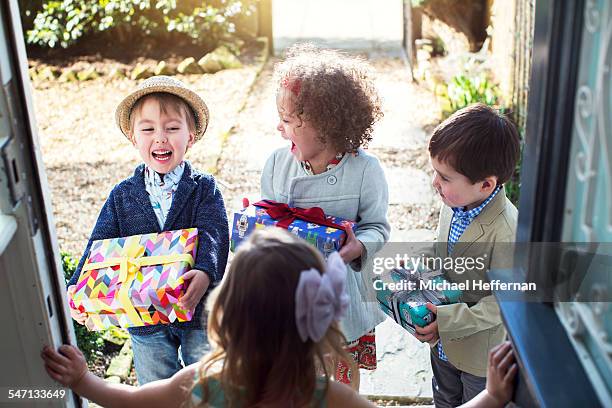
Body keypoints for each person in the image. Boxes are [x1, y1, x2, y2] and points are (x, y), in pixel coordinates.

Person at [43, 229, 376, 407]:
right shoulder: (327, 397)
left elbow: (134, 402)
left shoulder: (204, 384)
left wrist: (83, 381)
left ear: (226, 314)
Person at [65, 75, 229, 385]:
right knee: (155, 384)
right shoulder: (123, 195)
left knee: (209, 382)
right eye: (148, 129)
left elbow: (215, 233)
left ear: (190, 136)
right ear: (133, 137)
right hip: (143, 315)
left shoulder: (203, 188)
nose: (161, 138)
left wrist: (206, 272)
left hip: (196, 307)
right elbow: (99, 243)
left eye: (172, 128)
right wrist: (78, 289)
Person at [260, 43, 390, 388]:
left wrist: (357, 245)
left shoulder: (365, 170)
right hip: (291, 287)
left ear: (326, 125)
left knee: (342, 372)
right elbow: (267, 219)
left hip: (342, 290)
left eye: (288, 121)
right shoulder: (277, 164)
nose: (280, 128)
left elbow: (378, 227)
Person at [414, 103, 521, 407]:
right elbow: (443, 251)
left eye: (445, 178)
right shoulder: (455, 204)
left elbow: (502, 305)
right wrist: (419, 263)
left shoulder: (507, 233)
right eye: (435, 173)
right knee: (444, 398)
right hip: (442, 346)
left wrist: (446, 320)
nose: (436, 183)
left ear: (486, 184)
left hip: (478, 358)